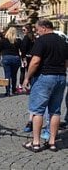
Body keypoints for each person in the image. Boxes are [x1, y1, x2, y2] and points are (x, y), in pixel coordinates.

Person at [22, 19, 68, 153]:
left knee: (38, 110)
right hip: (61, 77)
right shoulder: (63, 41)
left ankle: (36, 143)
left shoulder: (42, 41)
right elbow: (66, 62)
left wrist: (27, 77)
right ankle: (52, 142)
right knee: (55, 110)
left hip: (45, 77)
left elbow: (35, 61)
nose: (37, 31)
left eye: (37, 29)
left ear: (44, 28)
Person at [0, 27, 21, 96]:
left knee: (7, 75)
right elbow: (22, 49)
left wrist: (1, 53)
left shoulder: (3, 40)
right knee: (14, 75)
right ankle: (13, 90)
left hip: (6, 58)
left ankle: (7, 91)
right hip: (16, 58)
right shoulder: (18, 41)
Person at [19, 23, 35, 93]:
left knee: (22, 71)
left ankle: (21, 86)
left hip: (25, 57)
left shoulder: (26, 37)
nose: (23, 31)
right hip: (32, 56)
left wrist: (23, 57)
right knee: (30, 72)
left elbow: (23, 48)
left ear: (27, 30)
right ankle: (30, 86)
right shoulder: (33, 37)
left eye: (23, 29)